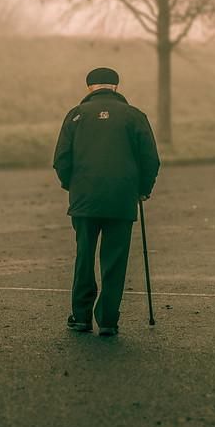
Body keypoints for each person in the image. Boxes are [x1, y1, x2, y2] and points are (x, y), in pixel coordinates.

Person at [53, 67, 160, 337]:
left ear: (89, 87)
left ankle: (80, 317)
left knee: (84, 257)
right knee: (115, 260)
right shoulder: (135, 116)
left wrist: (71, 185)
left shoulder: (76, 115)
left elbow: (61, 159)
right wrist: (143, 189)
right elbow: (151, 160)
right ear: (116, 86)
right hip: (122, 199)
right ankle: (109, 320)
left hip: (85, 199)